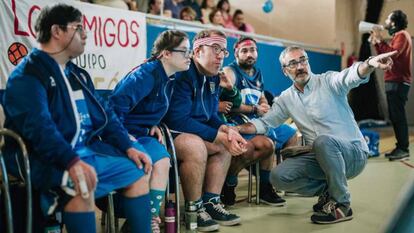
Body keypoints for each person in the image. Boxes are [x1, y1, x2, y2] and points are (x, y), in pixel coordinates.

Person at [2, 4, 154, 233]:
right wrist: (72, 162)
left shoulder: (77, 74)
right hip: (41, 156)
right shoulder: (28, 75)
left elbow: (106, 116)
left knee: (137, 170)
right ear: (57, 31)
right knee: (81, 186)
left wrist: (129, 146)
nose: (85, 35)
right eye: (79, 28)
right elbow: (40, 130)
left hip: (85, 151)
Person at [235, 46, 396, 224]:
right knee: (278, 177)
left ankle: (342, 203)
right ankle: (329, 191)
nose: (300, 66)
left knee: (322, 141)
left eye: (303, 60)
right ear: (284, 70)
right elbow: (265, 123)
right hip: (321, 157)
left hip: (354, 154)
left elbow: (351, 75)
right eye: (293, 63)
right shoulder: (286, 99)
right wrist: (237, 129)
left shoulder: (328, 81)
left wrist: (370, 63)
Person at [163, 29, 250, 232]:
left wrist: (227, 130)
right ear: (198, 50)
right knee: (196, 147)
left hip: (193, 130)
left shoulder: (213, 77)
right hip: (168, 132)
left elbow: (211, 116)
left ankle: (211, 202)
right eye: (215, 49)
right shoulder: (182, 73)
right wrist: (216, 134)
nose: (220, 55)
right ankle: (193, 209)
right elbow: (177, 119)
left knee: (226, 141)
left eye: (224, 51)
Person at [109, 30, 190, 232]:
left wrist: (154, 122)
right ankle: (137, 221)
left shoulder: (169, 77)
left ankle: (148, 217)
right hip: (120, 133)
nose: (189, 56)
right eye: (184, 51)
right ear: (166, 54)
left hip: (141, 132)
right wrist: (124, 137)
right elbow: (114, 108)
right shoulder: (145, 75)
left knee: (163, 161)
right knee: (145, 163)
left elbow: (150, 106)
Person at [220, 36, 298, 206]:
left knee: (291, 135)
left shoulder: (257, 73)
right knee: (257, 146)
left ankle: (283, 181)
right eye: (245, 51)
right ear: (236, 53)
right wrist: (254, 109)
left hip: (258, 121)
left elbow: (261, 97)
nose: (250, 54)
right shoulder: (230, 72)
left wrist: (264, 104)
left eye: (253, 50)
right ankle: (230, 183)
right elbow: (227, 106)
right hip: (237, 123)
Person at [370, 10, 412, 161]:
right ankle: (400, 146)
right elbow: (384, 56)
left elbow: (392, 53)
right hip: (393, 81)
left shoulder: (402, 35)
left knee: (398, 116)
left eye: (388, 18)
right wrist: (377, 42)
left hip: (398, 82)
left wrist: (380, 40)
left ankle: (403, 149)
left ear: (394, 22)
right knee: (395, 116)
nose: (386, 21)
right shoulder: (396, 37)